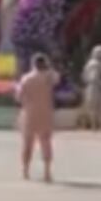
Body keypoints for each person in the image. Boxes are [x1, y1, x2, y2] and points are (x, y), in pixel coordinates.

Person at [16, 54, 60, 182]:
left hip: (29, 113)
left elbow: (19, 97)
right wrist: (49, 67)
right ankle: (47, 172)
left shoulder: (26, 78)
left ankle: (25, 171)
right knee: (45, 142)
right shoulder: (49, 77)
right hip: (45, 112)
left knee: (27, 143)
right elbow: (57, 78)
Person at [80, 46, 101, 130]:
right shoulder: (98, 64)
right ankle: (99, 125)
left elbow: (84, 76)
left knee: (93, 106)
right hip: (98, 87)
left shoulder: (89, 64)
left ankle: (94, 125)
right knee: (100, 107)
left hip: (91, 87)